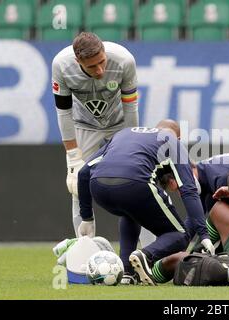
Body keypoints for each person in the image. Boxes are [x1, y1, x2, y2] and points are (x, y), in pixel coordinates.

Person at [76, 120, 214, 285]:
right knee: (179, 235)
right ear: (177, 137)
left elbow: (84, 172)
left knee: (131, 214)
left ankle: (127, 272)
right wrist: (203, 233)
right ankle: (145, 255)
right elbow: (189, 189)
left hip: (98, 186)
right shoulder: (172, 142)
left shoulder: (124, 133)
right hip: (135, 184)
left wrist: (87, 218)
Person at [52, 32, 139, 237]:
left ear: (104, 52)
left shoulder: (124, 60)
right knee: (77, 187)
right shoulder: (61, 66)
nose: (99, 70)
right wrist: (73, 156)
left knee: (137, 183)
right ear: (78, 61)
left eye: (102, 62)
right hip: (84, 126)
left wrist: (132, 145)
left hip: (120, 126)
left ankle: (149, 255)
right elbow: (63, 112)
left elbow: (131, 107)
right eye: (92, 66)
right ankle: (85, 252)